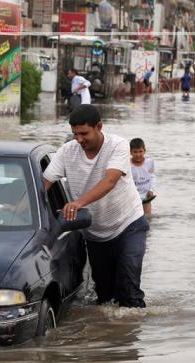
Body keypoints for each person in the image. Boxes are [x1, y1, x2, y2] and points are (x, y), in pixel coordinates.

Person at [43, 105, 149, 308]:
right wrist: (13, 208)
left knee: (129, 290)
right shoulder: (67, 151)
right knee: (105, 297)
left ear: (99, 126)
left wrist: (78, 203)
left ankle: (133, 336)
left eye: (84, 133)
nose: (79, 140)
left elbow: (110, 181)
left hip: (129, 225)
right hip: (95, 235)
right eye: (75, 134)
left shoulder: (118, 145)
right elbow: (43, 184)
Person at [129, 138, 156, 217]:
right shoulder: (127, 164)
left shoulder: (149, 162)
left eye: (140, 151)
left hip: (146, 195)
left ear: (144, 151)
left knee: (148, 217)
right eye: (135, 152)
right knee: (134, 217)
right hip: (133, 196)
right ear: (130, 152)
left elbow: (152, 176)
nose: (138, 154)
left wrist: (151, 190)